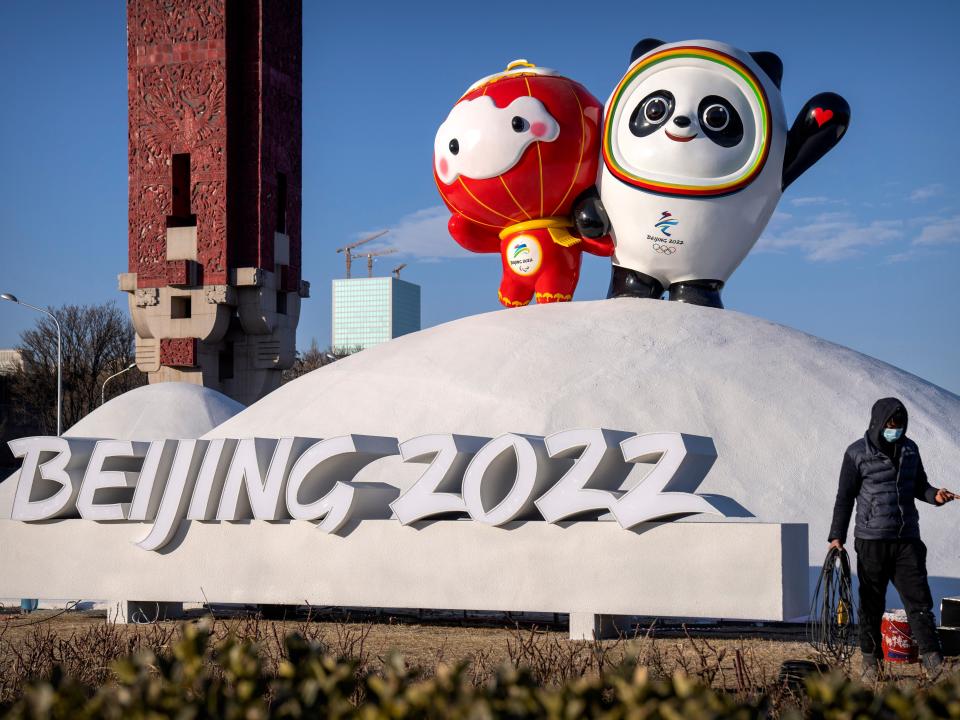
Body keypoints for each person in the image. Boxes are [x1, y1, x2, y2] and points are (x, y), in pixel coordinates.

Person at [828, 397, 956, 681]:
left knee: (919, 601)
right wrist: (837, 535)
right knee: (872, 602)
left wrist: (934, 495)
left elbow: (919, 485)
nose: (895, 429)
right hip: (872, 540)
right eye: (890, 424)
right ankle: (871, 662)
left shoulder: (910, 450)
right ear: (878, 423)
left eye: (899, 425)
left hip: (907, 539)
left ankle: (934, 661)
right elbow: (844, 497)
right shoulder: (856, 453)